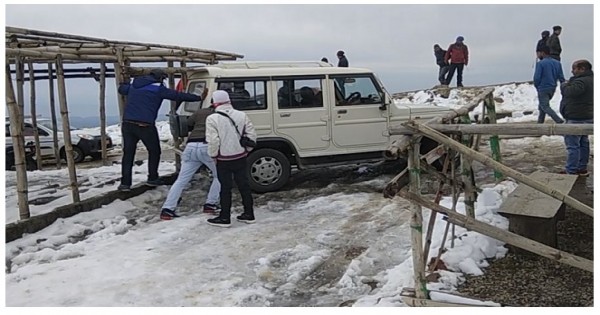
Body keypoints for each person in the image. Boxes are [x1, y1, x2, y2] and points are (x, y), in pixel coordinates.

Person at [117, 69, 202, 192]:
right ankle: (152, 178)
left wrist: (123, 83)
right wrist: (198, 97)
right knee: (154, 151)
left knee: (128, 154)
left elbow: (122, 89)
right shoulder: (158, 89)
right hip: (145, 125)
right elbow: (178, 95)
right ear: (160, 78)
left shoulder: (134, 86)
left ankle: (125, 184)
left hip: (128, 124)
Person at [159, 105, 221, 220]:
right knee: (220, 176)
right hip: (206, 146)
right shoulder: (221, 113)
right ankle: (210, 204)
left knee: (181, 180)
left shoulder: (200, 112)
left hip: (191, 146)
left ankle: (167, 209)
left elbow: (188, 124)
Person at [205, 90, 257, 227]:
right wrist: (246, 150)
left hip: (223, 159)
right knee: (244, 186)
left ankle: (225, 217)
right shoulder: (242, 115)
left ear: (215, 101)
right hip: (240, 156)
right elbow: (252, 135)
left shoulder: (212, 119)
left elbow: (213, 141)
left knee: (225, 188)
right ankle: (249, 214)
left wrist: (213, 155)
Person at [559, 60, 593, 176]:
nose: (572, 71)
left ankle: (571, 170)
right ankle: (581, 167)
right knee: (583, 143)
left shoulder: (581, 81)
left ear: (582, 69)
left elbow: (570, 92)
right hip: (587, 116)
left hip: (576, 117)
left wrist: (564, 85)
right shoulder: (591, 80)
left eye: (574, 69)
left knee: (573, 146)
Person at [533, 46, 565, 124]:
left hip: (543, 87)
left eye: (538, 53)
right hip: (552, 87)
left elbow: (537, 77)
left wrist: (537, 85)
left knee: (545, 106)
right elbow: (561, 77)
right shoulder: (557, 63)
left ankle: (558, 120)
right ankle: (540, 123)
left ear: (543, 53)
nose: (537, 55)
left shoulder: (540, 64)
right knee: (542, 106)